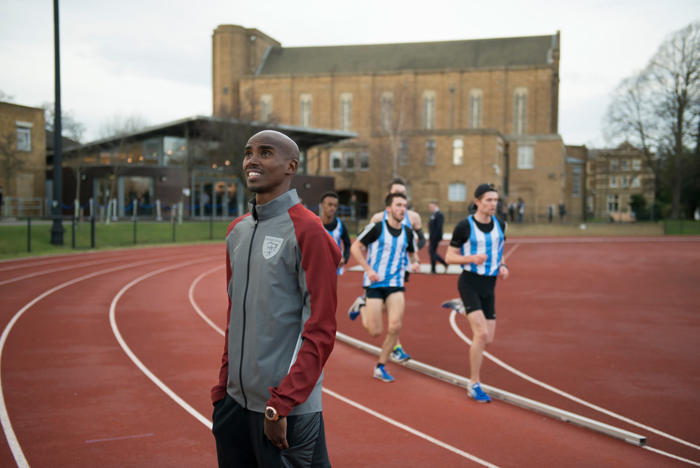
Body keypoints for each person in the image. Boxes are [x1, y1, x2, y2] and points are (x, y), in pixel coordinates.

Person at [211, 130, 340, 467]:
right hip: (235, 408)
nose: (252, 160)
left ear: (290, 167)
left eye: (265, 153)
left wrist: (282, 403)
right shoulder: (237, 232)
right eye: (248, 152)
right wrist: (222, 392)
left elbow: (320, 330)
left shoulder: (310, 232)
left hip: (284, 413)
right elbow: (235, 319)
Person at [443, 183, 509, 403]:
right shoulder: (465, 226)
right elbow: (449, 257)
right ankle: (473, 383)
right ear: (477, 202)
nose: (493, 204)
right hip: (469, 282)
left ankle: (461, 307)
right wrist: (471, 258)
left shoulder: (500, 224)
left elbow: (499, 251)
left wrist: (502, 265)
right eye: (488, 200)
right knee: (480, 335)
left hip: (490, 286)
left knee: (488, 339)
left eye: (495, 200)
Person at [347, 192, 421, 382]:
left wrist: (415, 263)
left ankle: (380, 366)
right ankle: (362, 305)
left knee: (395, 326)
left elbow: (413, 255)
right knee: (375, 331)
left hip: (396, 284)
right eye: (398, 205)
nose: (402, 209)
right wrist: (368, 269)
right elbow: (355, 247)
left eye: (404, 205)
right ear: (389, 209)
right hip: (375, 282)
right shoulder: (376, 228)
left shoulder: (408, 232)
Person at [364, 177, 426, 362]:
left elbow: (421, 240)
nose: (400, 196)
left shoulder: (413, 217)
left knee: (392, 309)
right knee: (387, 311)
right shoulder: (377, 218)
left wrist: (411, 253)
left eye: (403, 193)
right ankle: (397, 346)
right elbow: (369, 243)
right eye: (395, 192)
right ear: (388, 196)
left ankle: (394, 344)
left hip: (401, 268)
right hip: (380, 269)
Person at [319, 191, 351, 274]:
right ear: (322, 205)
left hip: (335, 268)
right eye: (329, 204)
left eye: (335, 206)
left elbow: (347, 243)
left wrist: (345, 258)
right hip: (318, 268)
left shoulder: (340, 225)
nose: (332, 208)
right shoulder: (314, 224)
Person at [428, 201, 447, 273]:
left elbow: (439, 227)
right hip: (432, 236)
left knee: (431, 252)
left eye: (431, 207)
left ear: (435, 206)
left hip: (435, 237)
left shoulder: (439, 214)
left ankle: (442, 263)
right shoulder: (433, 214)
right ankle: (434, 269)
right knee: (432, 252)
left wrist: (435, 236)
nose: (430, 208)